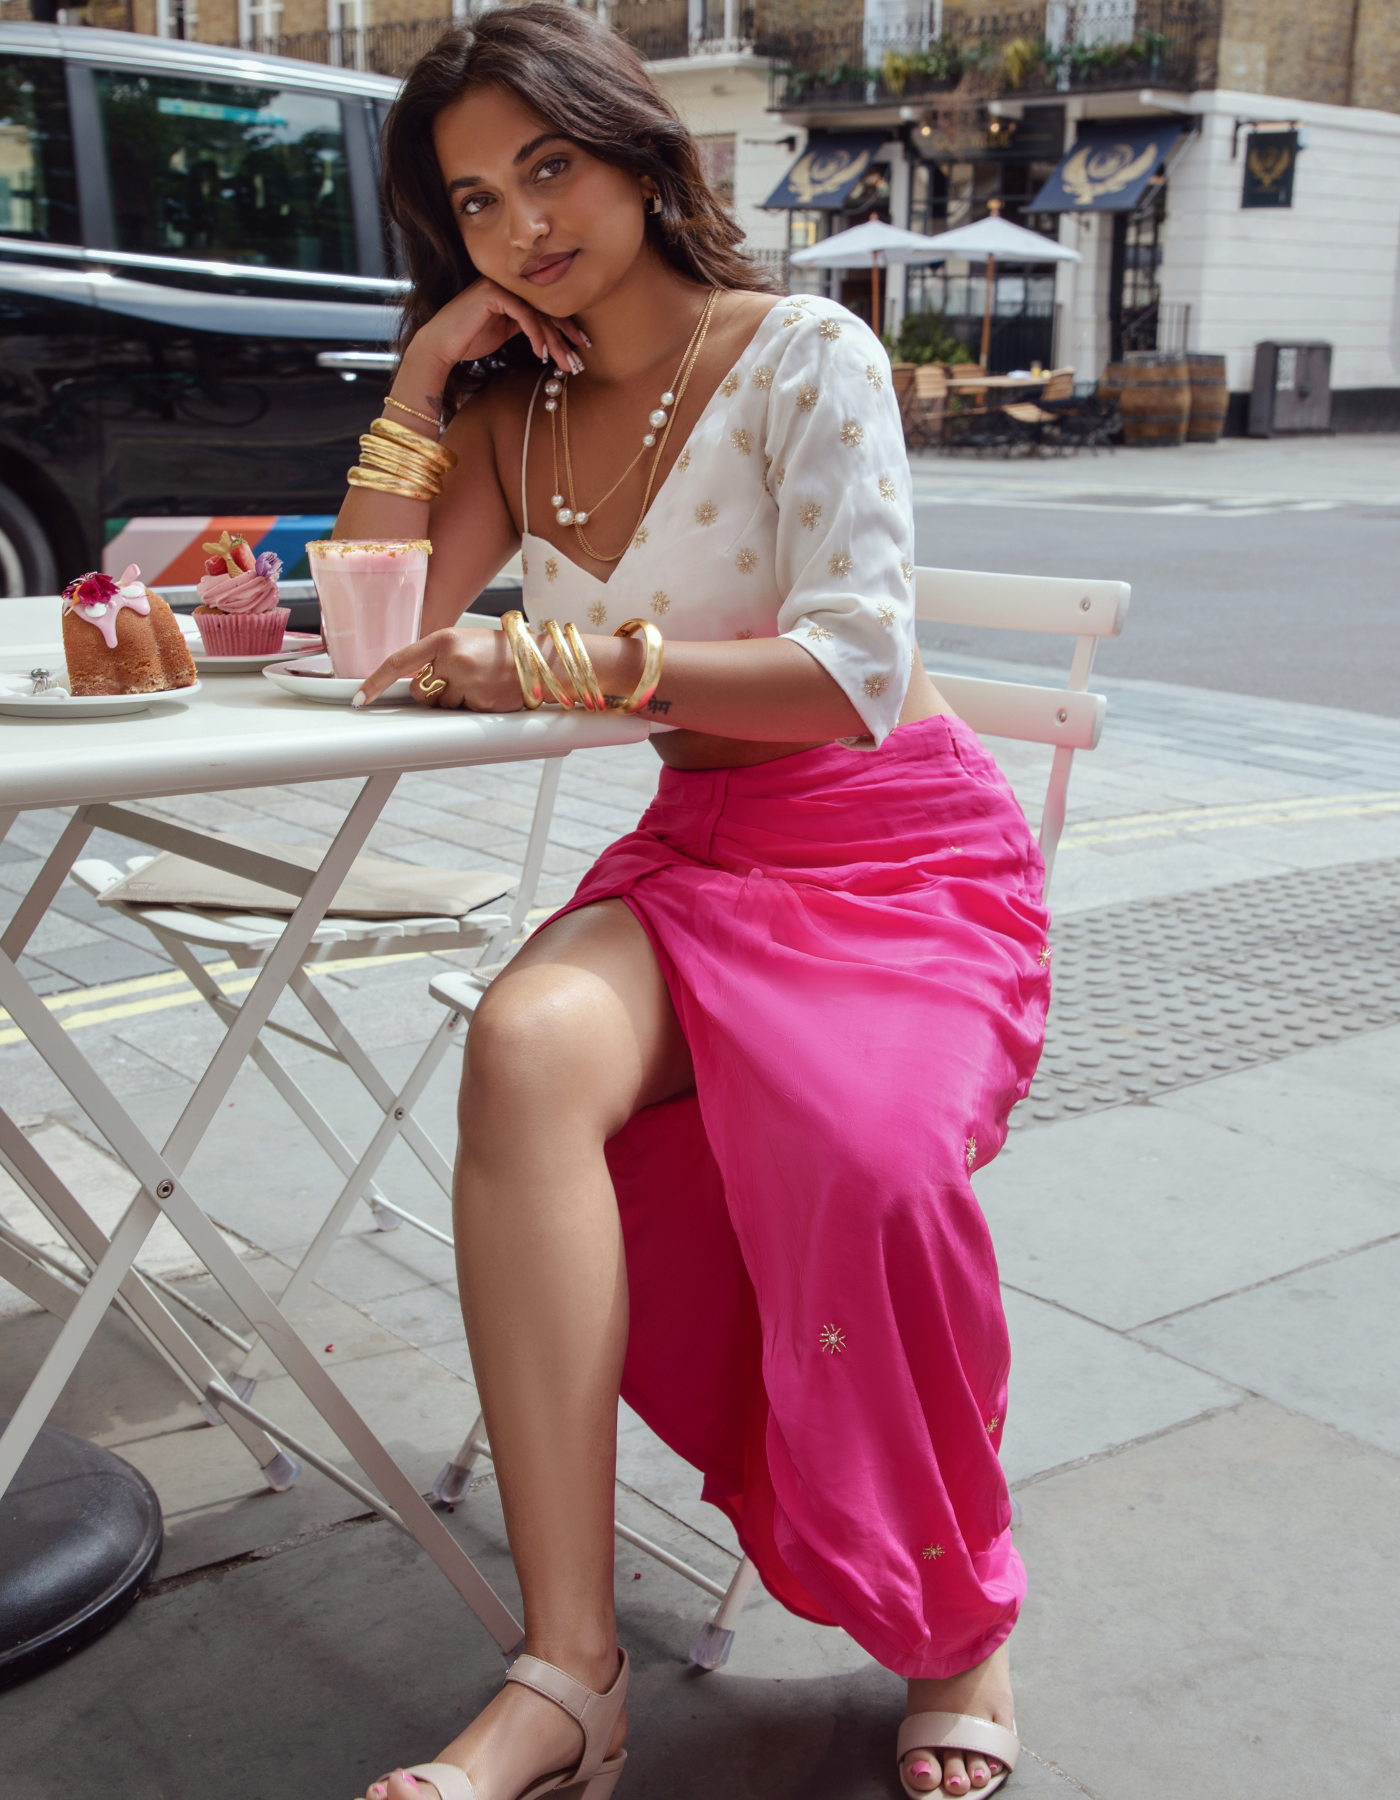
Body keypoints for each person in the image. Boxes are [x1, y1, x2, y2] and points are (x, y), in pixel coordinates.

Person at [343, 8, 1047, 1797]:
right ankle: (571, 1673)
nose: (523, 227)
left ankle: (960, 1627)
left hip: (895, 849)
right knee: (522, 1045)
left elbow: (856, 668)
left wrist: (559, 659)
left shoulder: (808, 350)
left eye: (550, 166)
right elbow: (379, 629)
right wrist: (426, 386)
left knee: (866, 1163)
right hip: (705, 851)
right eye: (475, 203)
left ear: (636, 147)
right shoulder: (516, 413)